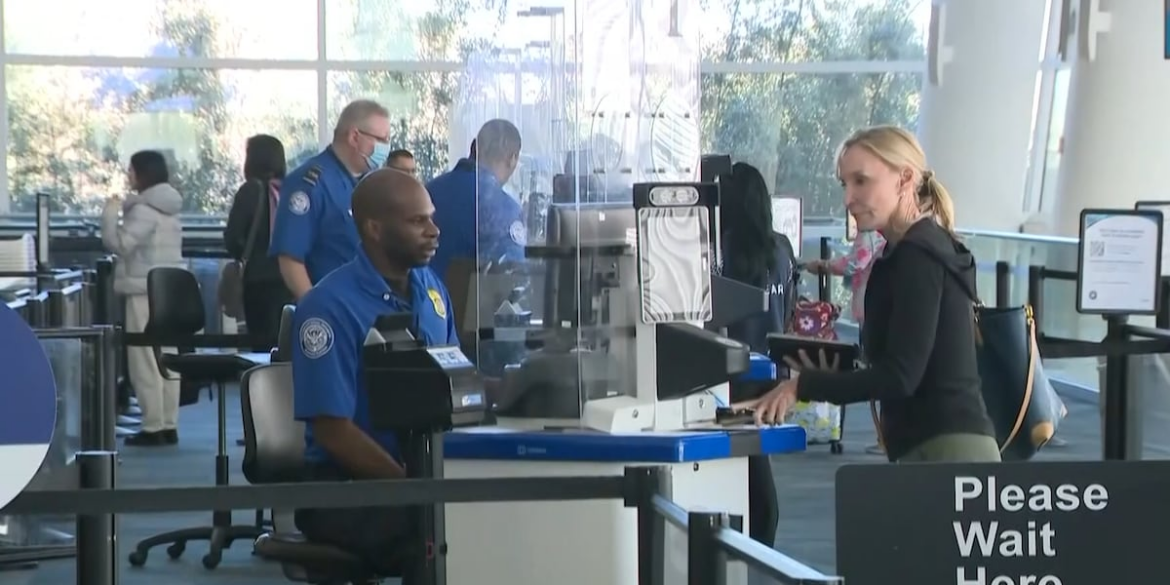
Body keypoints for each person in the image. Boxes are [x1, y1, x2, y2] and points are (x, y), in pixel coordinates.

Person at [745, 125, 999, 463]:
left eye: (861, 181)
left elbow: (900, 376)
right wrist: (833, 369)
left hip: (942, 451)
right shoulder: (920, 249)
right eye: (845, 184)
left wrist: (802, 387)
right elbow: (909, 362)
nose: (849, 199)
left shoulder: (917, 256)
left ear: (905, 179)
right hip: (941, 445)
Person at [291, 169, 456, 581]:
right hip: (346, 489)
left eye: (431, 218)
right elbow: (333, 431)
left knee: (485, 524)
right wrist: (414, 491)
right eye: (418, 221)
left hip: (426, 473)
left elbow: (454, 377)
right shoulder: (327, 308)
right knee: (436, 540)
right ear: (375, 229)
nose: (434, 230)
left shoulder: (430, 288)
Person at [719, 162, 797, 547]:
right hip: (773, 379)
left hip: (728, 381)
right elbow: (790, 310)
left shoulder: (720, 251)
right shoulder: (782, 249)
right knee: (756, 478)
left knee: (749, 484)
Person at [101, 150, 184, 447]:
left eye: (131, 170)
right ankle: (168, 423)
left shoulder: (143, 210)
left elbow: (120, 244)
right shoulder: (170, 209)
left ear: (142, 173)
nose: (128, 175)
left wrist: (109, 215)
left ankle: (152, 426)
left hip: (141, 291)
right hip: (167, 292)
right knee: (167, 359)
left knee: (143, 361)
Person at [270, 99, 392, 299]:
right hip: (331, 309)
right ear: (354, 137)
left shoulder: (367, 184)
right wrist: (316, 310)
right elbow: (291, 260)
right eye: (382, 140)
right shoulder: (309, 184)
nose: (385, 148)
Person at [804, 228, 886, 455]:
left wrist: (823, 265)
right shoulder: (889, 235)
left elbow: (855, 263)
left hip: (870, 310)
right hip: (877, 309)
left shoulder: (870, 233)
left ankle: (884, 438)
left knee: (876, 372)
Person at [426, 120, 526, 282]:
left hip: (422, 303)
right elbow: (511, 280)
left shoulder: (427, 192)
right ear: (512, 158)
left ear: (473, 147)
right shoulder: (506, 209)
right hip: (470, 305)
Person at [223, 134, 293, 350]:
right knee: (286, 343)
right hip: (292, 277)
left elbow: (233, 237)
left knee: (262, 344)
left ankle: (263, 383)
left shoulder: (250, 191)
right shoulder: (293, 189)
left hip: (258, 280)